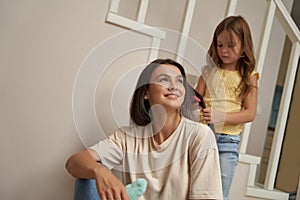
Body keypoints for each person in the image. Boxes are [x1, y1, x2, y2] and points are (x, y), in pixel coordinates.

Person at [66, 58, 223, 200]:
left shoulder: (199, 135)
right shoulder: (127, 137)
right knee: (87, 178)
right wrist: (100, 170)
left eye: (179, 81)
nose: (174, 86)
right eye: (164, 79)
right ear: (146, 92)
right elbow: (73, 163)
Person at [195, 16, 259, 200]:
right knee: (195, 186)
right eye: (220, 45)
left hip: (227, 143)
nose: (224, 50)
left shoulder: (249, 76)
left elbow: (250, 113)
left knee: (219, 193)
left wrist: (220, 116)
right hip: (202, 136)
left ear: (244, 46)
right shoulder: (208, 71)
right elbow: (197, 98)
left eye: (231, 45)